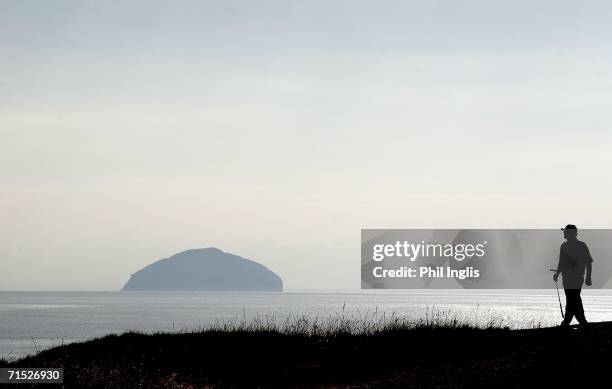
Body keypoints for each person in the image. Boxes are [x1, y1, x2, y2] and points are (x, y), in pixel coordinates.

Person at [553, 224, 593, 327]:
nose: (564, 233)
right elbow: (561, 262)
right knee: (573, 299)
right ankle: (577, 321)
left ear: (571, 233)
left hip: (575, 278)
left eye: (566, 232)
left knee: (572, 298)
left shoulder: (580, 245)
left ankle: (573, 321)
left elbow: (588, 262)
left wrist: (588, 277)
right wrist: (557, 273)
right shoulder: (565, 246)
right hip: (567, 277)